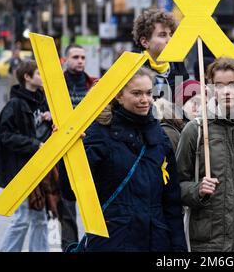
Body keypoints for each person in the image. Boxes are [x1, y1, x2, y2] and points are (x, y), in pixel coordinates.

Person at [59, 67, 186, 251]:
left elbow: (171, 200)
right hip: (114, 240)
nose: (145, 100)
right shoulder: (98, 134)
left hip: (156, 240)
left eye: (149, 93)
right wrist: (68, 152)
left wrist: (178, 247)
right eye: (137, 93)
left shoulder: (159, 135)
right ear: (119, 96)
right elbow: (71, 191)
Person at [176, 58, 234, 251]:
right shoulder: (195, 130)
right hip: (206, 243)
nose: (226, 91)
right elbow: (175, 185)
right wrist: (196, 190)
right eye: (219, 85)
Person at [0, 61, 53, 252]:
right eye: (38, 73)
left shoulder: (43, 101)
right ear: (27, 77)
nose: (43, 77)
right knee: (21, 218)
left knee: (40, 217)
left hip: (38, 168)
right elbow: (6, 136)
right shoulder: (14, 104)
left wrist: (51, 120)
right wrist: (35, 144)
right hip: (20, 169)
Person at [57, 44, 97, 251]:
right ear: (66, 59)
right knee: (66, 207)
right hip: (64, 152)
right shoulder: (56, 85)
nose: (80, 60)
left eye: (82, 57)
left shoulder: (93, 86)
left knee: (94, 206)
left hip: (90, 150)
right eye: (75, 57)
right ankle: (69, 247)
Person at [133, 9, 190, 101]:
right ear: (145, 42)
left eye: (171, 35)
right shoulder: (134, 68)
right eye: (162, 35)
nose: (170, 40)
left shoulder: (178, 64)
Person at [153, 79, 202, 152]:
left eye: (204, 103)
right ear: (181, 104)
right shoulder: (169, 133)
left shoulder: (203, 129)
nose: (200, 108)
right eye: (195, 102)